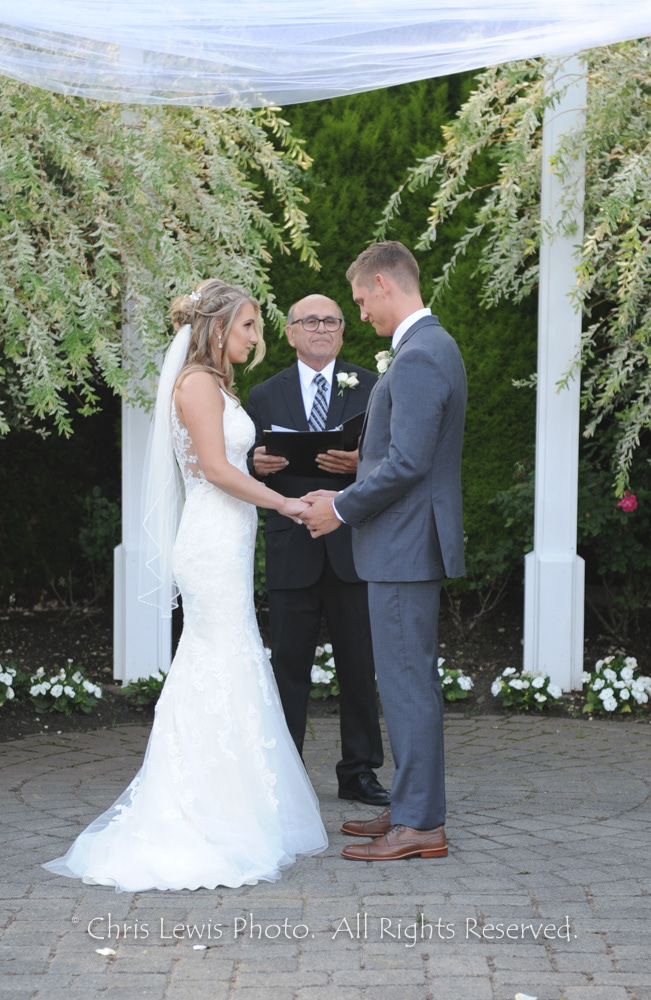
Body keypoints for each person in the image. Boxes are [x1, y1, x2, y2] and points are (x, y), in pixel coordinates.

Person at [43, 278, 327, 891]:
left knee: (230, 657)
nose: (256, 338)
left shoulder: (216, 384)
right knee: (216, 659)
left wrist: (260, 470)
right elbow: (216, 470)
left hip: (228, 538)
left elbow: (223, 460)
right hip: (210, 542)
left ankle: (231, 802)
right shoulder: (196, 383)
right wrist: (284, 502)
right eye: (248, 326)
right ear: (218, 328)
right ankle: (201, 809)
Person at [301, 243, 466, 861]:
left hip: (404, 547)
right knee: (407, 682)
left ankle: (419, 824)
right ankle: (409, 806)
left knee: (406, 686)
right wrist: (343, 488)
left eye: (361, 300)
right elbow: (398, 460)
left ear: (382, 283)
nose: (361, 312)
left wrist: (340, 509)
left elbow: (408, 463)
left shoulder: (420, 354)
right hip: (404, 543)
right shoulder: (429, 347)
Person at [246, 294, 388, 807]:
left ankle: (359, 772)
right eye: (310, 321)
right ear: (289, 333)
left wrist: (358, 464)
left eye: (331, 320)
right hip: (292, 545)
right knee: (288, 666)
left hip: (353, 543)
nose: (321, 328)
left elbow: (394, 460)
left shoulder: (372, 387)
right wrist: (255, 464)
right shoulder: (264, 394)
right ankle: (287, 775)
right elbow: (240, 460)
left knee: (359, 666)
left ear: (343, 331)